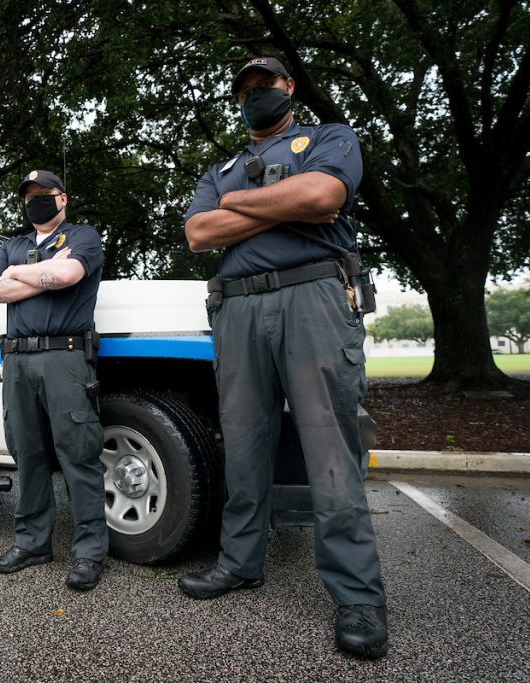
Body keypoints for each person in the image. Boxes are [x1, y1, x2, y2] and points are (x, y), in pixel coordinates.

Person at [179, 57, 389, 659]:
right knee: (244, 445)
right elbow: (197, 233)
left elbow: (324, 195)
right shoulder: (217, 167)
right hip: (238, 310)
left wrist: (239, 205)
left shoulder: (328, 138)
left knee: (329, 449)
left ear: (287, 87)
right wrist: (282, 201)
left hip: (315, 297)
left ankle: (357, 596)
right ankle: (240, 563)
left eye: (263, 86)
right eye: (243, 91)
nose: (255, 97)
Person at [0, 169, 108, 591]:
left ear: (63, 198)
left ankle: (90, 552)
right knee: (28, 454)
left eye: (44, 194)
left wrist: (17, 275)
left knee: (78, 453)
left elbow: (70, 276)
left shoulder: (83, 236)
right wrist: (40, 274)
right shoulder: (12, 246)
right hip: (17, 361)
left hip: (65, 357)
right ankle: (32, 543)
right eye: (29, 196)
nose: (36, 201)